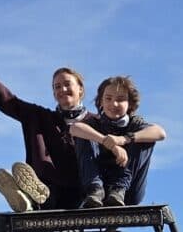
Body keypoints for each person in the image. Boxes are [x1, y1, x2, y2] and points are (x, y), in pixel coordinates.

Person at [0, 47, 93, 210]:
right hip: (48, 188)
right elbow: (8, 102)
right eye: (57, 87)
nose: (62, 90)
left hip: (81, 189)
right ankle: (27, 198)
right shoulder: (41, 117)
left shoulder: (95, 122)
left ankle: (29, 200)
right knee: (45, 192)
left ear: (80, 88)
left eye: (67, 84)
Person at [70, 75, 166, 207]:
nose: (113, 104)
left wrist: (124, 139)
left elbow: (160, 132)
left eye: (120, 100)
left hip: (128, 191)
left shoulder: (135, 123)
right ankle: (95, 189)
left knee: (144, 138)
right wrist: (107, 142)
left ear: (130, 104)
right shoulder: (94, 123)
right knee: (86, 134)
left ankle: (118, 189)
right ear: (101, 102)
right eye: (108, 99)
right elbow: (74, 128)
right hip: (98, 186)